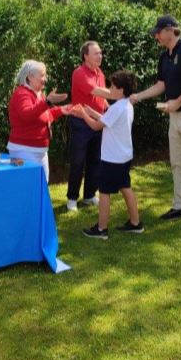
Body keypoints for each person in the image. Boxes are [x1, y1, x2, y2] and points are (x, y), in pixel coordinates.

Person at [131, 15, 181, 229]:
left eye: (158, 32)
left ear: (170, 30)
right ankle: (180, 206)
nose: (156, 36)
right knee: (177, 163)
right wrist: (138, 96)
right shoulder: (164, 57)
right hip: (176, 115)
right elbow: (161, 85)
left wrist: (178, 101)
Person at [73, 70, 142, 240]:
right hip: (124, 156)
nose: (109, 89)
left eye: (112, 86)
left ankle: (101, 229)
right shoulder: (126, 105)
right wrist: (92, 112)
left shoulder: (117, 107)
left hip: (112, 158)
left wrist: (83, 114)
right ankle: (135, 223)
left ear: (121, 90)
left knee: (104, 192)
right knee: (125, 187)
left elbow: (97, 126)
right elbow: (108, 121)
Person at [7, 60, 70, 182]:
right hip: (25, 150)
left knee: (41, 189)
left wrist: (62, 110)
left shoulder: (38, 94)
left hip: (38, 151)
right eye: (42, 75)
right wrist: (47, 102)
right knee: (28, 189)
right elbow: (27, 114)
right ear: (30, 77)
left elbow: (44, 115)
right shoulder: (22, 93)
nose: (45, 79)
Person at [66, 41, 109, 212]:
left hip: (98, 122)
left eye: (100, 53)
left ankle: (89, 195)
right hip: (81, 123)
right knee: (77, 161)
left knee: (95, 160)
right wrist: (120, 94)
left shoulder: (100, 73)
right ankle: (72, 198)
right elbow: (96, 92)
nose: (100, 56)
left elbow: (102, 98)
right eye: (96, 53)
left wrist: (110, 109)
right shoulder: (79, 73)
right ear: (86, 56)